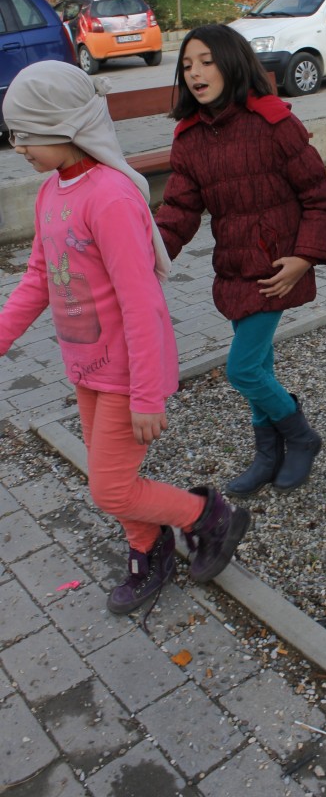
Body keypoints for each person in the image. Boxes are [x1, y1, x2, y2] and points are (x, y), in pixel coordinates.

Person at [0, 61, 250, 616]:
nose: (17, 147)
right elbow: (39, 277)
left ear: (64, 127)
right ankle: (149, 548)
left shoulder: (109, 198)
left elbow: (142, 304)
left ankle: (208, 516)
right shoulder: (51, 192)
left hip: (126, 372)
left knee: (110, 488)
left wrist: (145, 394)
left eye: (24, 135)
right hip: (86, 366)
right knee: (110, 477)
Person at [155, 24, 326, 498]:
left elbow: (320, 196)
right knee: (260, 366)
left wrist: (304, 257)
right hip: (233, 269)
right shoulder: (190, 139)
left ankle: (301, 435)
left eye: (206, 61)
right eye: (188, 64)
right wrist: (143, 259)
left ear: (231, 62)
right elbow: (178, 212)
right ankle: (268, 453)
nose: (195, 72)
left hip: (277, 271)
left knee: (243, 369)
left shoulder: (274, 123)